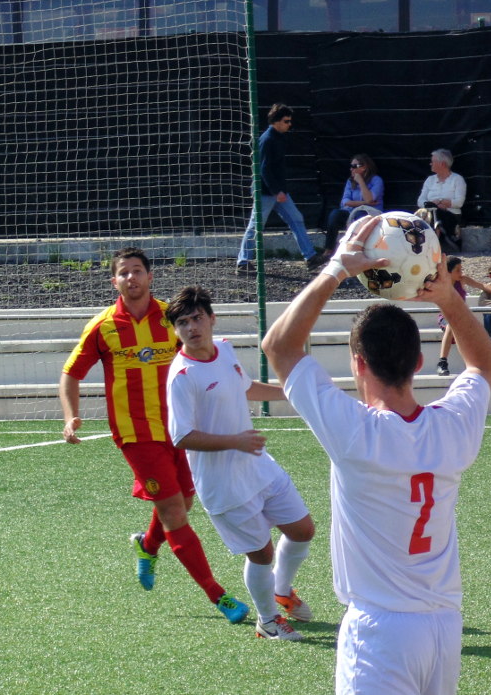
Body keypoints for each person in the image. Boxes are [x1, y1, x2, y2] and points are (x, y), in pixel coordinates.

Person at [261, 215, 491, 695]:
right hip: (444, 626)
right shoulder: (452, 426)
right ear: (419, 362)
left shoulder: (357, 433)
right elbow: (486, 365)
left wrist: (336, 269)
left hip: (380, 631)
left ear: (358, 363)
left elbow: (279, 347)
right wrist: (448, 297)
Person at [59, 247, 249, 623]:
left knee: (181, 504)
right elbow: (71, 373)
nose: (131, 277)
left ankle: (147, 545)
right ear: (114, 281)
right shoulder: (102, 327)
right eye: (124, 273)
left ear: (149, 276)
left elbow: (200, 355)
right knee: (175, 512)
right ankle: (219, 596)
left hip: (181, 429)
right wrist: (70, 416)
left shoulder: (171, 317)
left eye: (137, 271)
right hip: (136, 434)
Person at [165, 285, 315, 641]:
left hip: (258, 467)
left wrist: (291, 393)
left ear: (212, 318)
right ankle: (268, 621)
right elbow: (181, 436)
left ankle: (281, 590)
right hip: (224, 485)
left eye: (197, 318)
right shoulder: (181, 376)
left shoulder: (225, 348)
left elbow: (244, 387)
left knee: (302, 530)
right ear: (175, 330)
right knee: (261, 553)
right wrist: (235, 441)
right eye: (182, 323)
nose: (191, 327)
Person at [236, 103, 323, 276]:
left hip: (278, 192)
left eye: (289, 121)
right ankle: (243, 262)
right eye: (286, 121)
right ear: (276, 121)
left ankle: (310, 257)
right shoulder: (268, 140)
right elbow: (264, 169)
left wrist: (280, 191)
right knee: (256, 226)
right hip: (266, 192)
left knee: (297, 219)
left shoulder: (278, 137)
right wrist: (277, 191)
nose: (289, 124)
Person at [436, 256, 491, 376]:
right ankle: (442, 362)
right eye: (458, 270)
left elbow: (483, 286)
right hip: (446, 317)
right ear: (448, 272)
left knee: (476, 329)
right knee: (452, 325)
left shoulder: (462, 280)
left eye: (461, 269)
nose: (461, 273)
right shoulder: (443, 285)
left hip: (462, 317)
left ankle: (481, 363)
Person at [321, 153, 384, 257]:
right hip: (351, 212)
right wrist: (364, 203)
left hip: (370, 213)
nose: (351, 169)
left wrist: (361, 181)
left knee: (360, 214)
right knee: (335, 214)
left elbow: (370, 198)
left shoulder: (376, 180)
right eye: (351, 166)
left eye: (354, 166)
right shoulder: (350, 181)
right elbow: (345, 201)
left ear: (364, 167)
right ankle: (329, 249)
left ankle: (356, 250)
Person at [416, 148, 466, 251]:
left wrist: (439, 202)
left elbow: (459, 202)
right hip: (430, 213)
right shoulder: (430, 180)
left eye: (433, 161)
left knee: (436, 215)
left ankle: (433, 247)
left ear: (442, 164)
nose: (430, 164)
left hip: (451, 214)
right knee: (428, 214)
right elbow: (420, 201)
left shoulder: (457, 179)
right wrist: (436, 204)